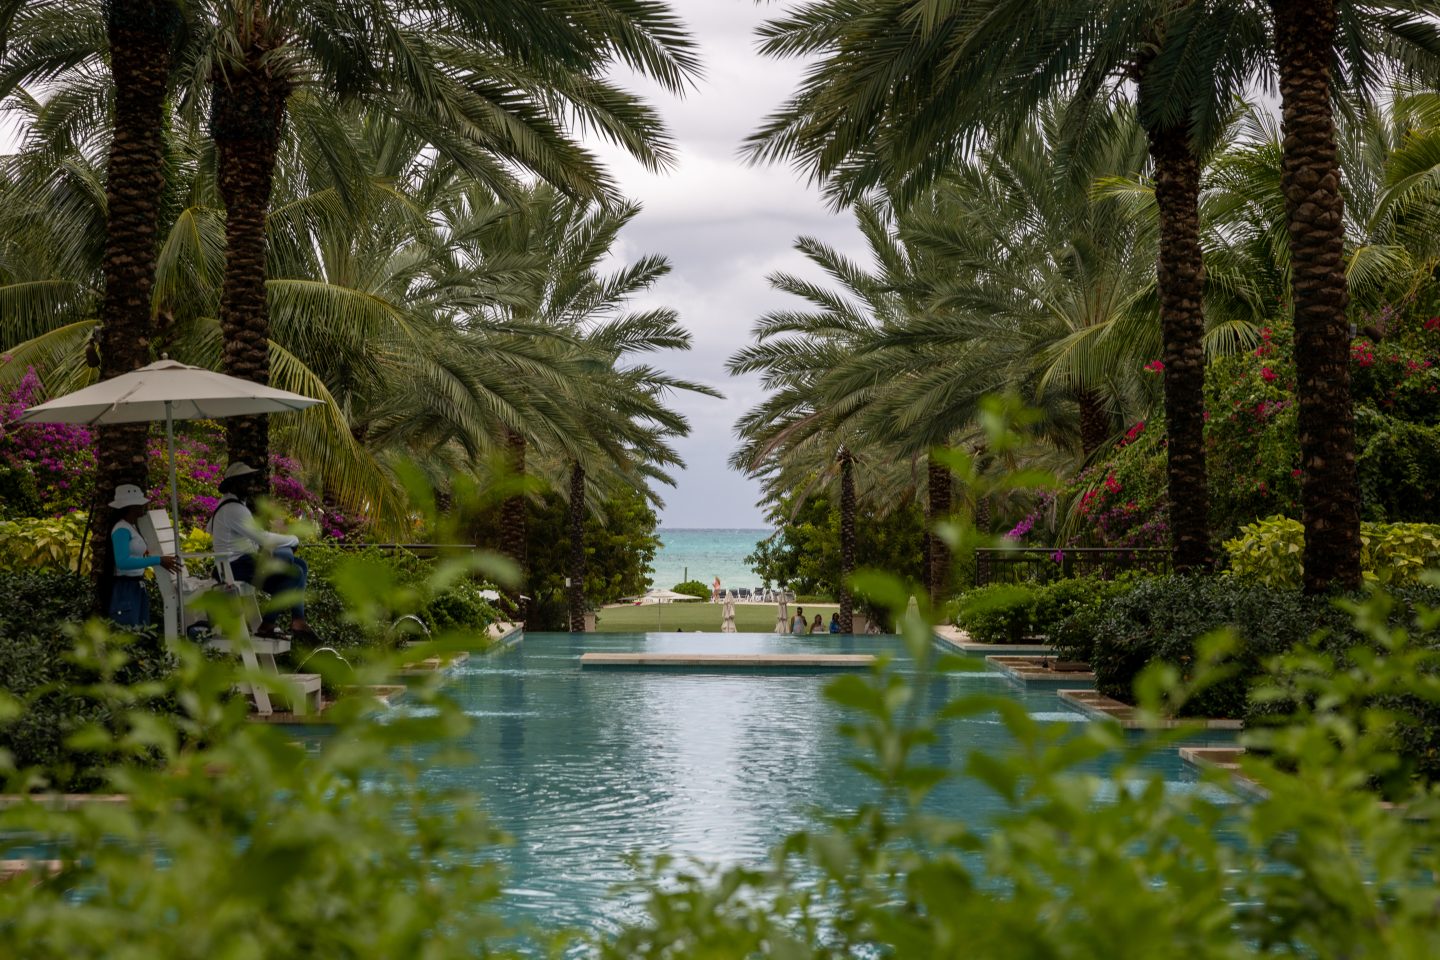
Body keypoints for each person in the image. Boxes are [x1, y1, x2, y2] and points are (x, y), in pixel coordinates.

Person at [208, 462, 313, 639]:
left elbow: (211, 528)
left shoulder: (226, 504)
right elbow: (263, 538)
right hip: (234, 566)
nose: (250, 484)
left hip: (237, 561)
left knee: (300, 565)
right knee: (295, 573)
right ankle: (270, 623)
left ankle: (298, 620)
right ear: (232, 484)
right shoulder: (234, 509)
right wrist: (293, 539)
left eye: (250, 480)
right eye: (244, 481)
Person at [107, 484, 179, 628]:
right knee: (129, 631)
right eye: (139, 504)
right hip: (125, 587)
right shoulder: (121, 529)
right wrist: (158, 560)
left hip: (136, 585)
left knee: (141, 630)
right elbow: (122, 562)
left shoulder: (131, 526)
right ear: (131, 507)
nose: (143, 507)